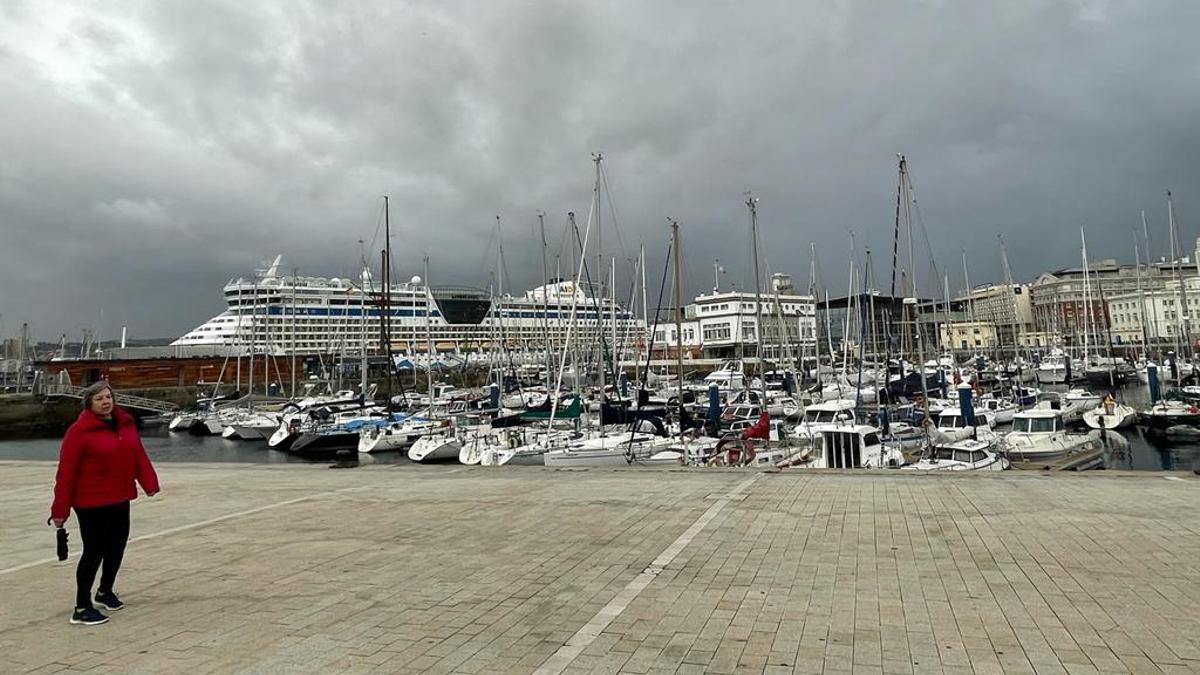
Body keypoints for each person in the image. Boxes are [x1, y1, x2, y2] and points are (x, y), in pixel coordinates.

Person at [50, 381, 160, 626]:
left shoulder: (125, 424)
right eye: (99, 398)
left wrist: (149, 483)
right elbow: (65, 473)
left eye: (108, 396)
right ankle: (81, 607)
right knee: (94, 551)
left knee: (117, 546)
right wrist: (60, 510)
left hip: (119, 496)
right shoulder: (79, 432)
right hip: (90, 501)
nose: (105, 401)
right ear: (89, 403)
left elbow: (137, 454)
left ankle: (105, 591)